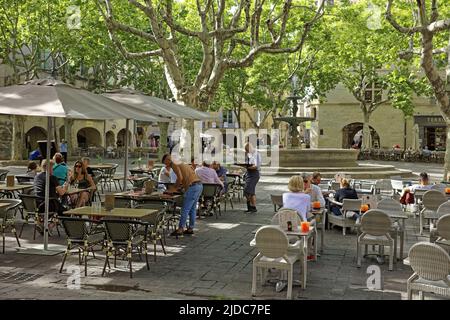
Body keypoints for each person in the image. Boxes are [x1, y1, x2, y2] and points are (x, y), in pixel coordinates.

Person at [162, 153, 203, 236]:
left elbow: (180, 178)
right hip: (198, 185)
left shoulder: (174, 164)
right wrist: (181, 187)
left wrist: (173, 189)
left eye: (165, 163)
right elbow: (185, 177)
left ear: (168, 160)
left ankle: (180, 229)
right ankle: (190, 228)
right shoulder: (182, 163)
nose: (166, 166)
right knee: (192, 209)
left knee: (185, 209)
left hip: (193, 187)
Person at [243, 142, 262, 213]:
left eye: (247, 150)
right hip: (249, 173)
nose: (246, 151)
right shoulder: (249, 154)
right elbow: (247, 163)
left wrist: (248, 167)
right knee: (248, 190)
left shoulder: (257, 154)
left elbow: (256, 166)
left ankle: (253, 207)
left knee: (249, 190)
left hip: (254, 174)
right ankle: (250, 207)